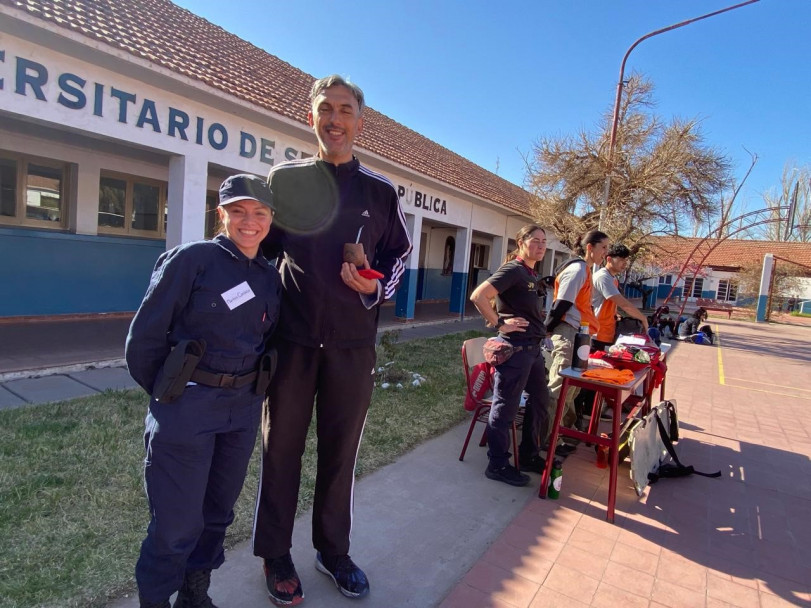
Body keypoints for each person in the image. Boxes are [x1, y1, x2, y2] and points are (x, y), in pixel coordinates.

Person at [253, 75, 412, 605]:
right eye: (326, 109)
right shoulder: (285, 181)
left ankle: (332, 551)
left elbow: (399, 258)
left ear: (360, 122)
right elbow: (260, 251)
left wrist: (372, 287)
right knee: (281, 452)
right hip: (291, 343)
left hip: (351, 345)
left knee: (339, 454)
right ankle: (276, 555)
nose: (335, 120)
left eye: (345, 110)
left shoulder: (381, 193)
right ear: (312, 118)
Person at [126, 174, 281, 608]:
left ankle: (195, 596)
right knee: (175, 524)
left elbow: (266, 342)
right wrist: (171, 395)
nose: (249, 221)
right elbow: (144, 341)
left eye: (259, 213)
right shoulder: (192, 259)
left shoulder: (269, 276)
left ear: (271, 219)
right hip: (188, 407)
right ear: (221, 215)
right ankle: (155, 600)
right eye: (238, 211)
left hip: (241, 409)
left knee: (216, 515)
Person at [469, 225, 552, 487]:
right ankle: (497, 464)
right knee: (505, 407)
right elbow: (479, 296)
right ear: (521, 242)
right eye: (535, 241)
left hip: (533, 350)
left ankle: (528, 455)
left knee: (540, 401)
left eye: (543, 242)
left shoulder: (529, 273)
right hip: (515, 351)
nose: (540, 246)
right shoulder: (513, 270)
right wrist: (499, 324)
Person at [543, 230, 609, 452]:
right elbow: (561, 304)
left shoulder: (586, 270)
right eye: (603, 248)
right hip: (568, 333)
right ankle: (546, 440)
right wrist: (546, 330)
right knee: (559, 389)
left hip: (579, 335)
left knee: (570, 391)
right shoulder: (578, 269)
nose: (606, 254)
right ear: (590, 247)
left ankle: (559, 434)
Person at [591, 244, 649, 352]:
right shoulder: (603, 277)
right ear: (609, 259)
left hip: (608, 332)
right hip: (597, 334)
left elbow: (609, 304)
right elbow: (624, 305)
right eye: (622, 260)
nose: (624, 264)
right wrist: (643, 318)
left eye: (626, 261)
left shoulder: (612, 278)